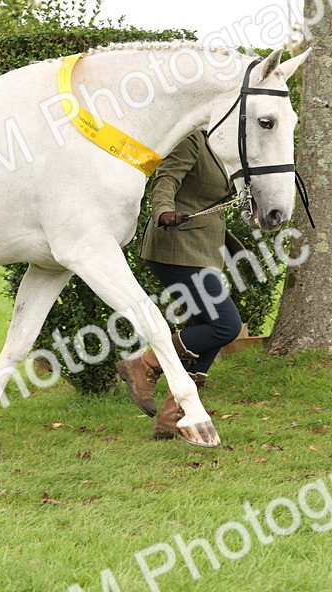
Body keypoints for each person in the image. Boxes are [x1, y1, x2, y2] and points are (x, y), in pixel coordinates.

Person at [115, 131, 243, 440]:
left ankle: (171, 416)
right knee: (226, 326)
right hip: (176, 244)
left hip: (204, 249)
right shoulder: (191, 139)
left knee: (207, 329)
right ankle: (144, 363)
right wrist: (162, 212)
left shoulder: (225, 143)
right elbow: (166, 180)